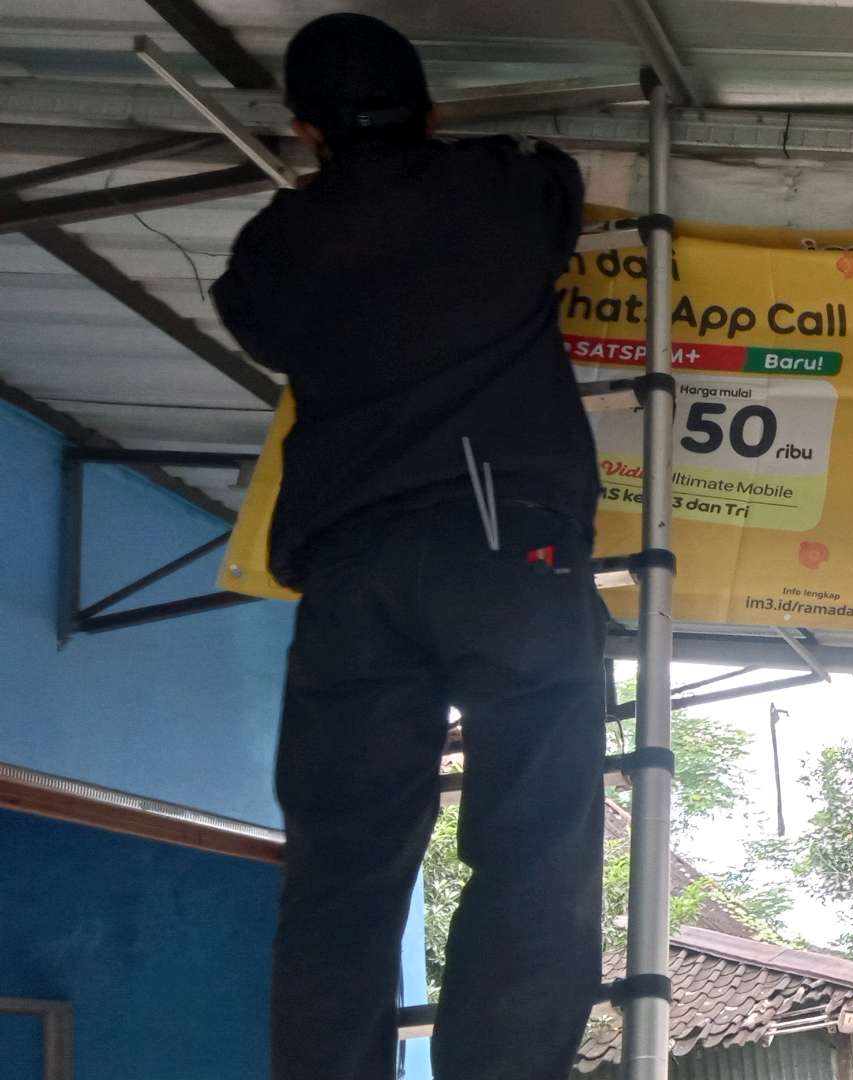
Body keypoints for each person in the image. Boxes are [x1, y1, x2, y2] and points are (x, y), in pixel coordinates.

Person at [212, 13, 605, 1080]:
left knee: (341, 870)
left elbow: (250, 317)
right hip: (505, 547)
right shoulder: (503, 192)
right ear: (433, 110)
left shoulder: (276, 247)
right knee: (534, 839)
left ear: (303, 130)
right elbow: (558, 182)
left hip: (351, 575)